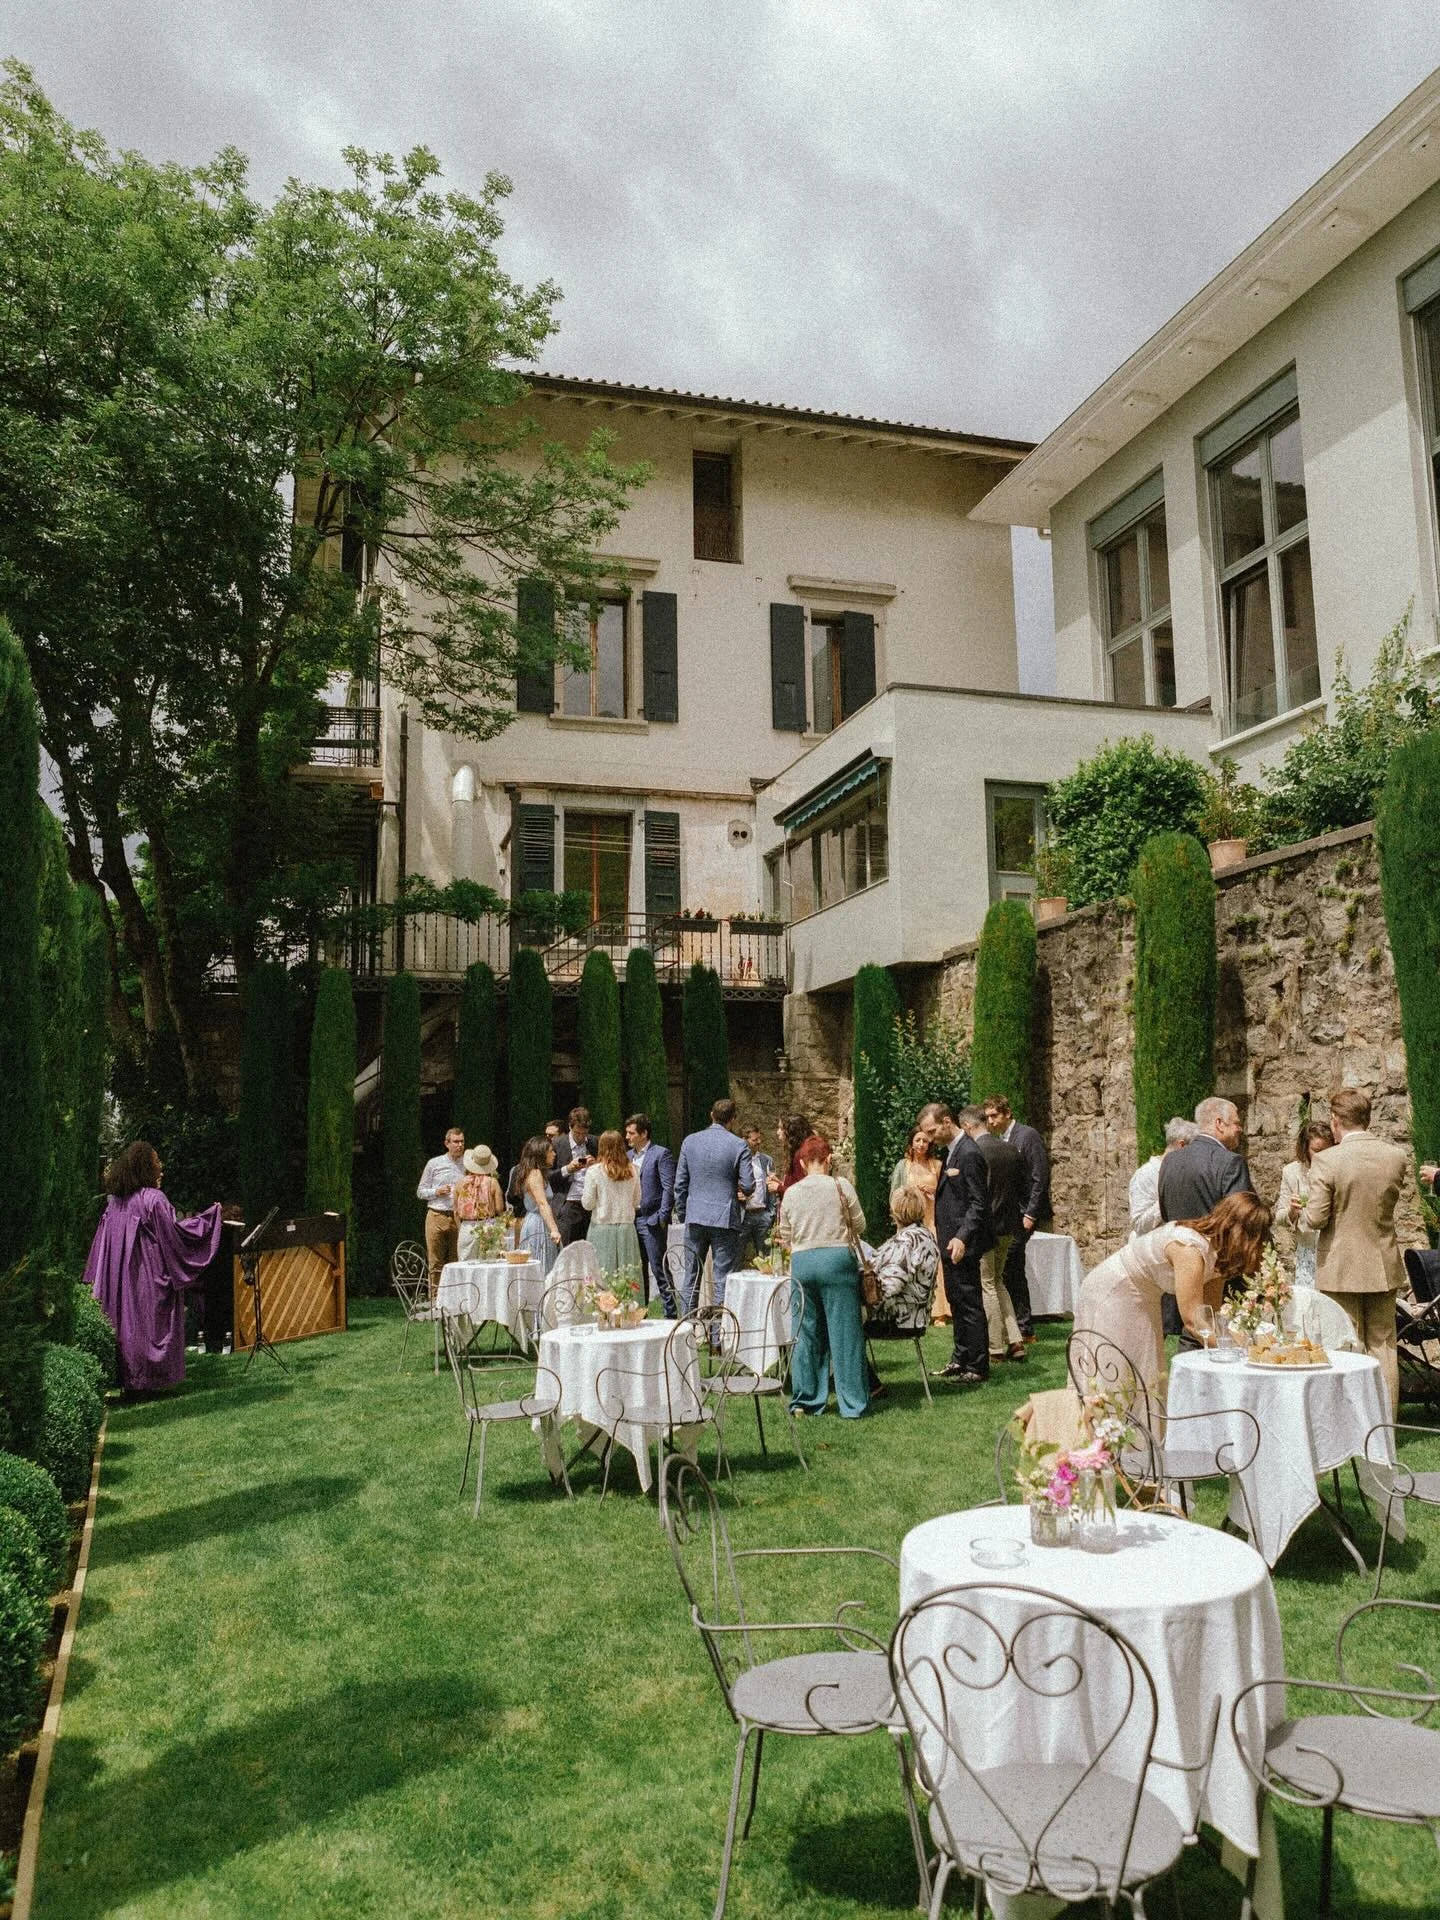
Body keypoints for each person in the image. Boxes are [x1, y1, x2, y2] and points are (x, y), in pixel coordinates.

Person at [1074, 1192, 1272, 1397]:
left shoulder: (1218, 1256)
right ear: (1242, 1233)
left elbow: (1210, 1315)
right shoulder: (1190, 1248)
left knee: (1146, 1370)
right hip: (1114, 1290)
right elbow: (1193, 1321)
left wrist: (1241, 1342)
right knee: (1117, 1368)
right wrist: (1239, 1353)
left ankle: (1139, 1428)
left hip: (1145, 1297)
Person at [85, 1141, 224, 1393]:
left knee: (125, 1327)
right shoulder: (153, 1200)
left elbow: (101, 1247)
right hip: (144, 1278)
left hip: (118, 1281)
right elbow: (176, 1235)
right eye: (156, 1164)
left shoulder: (114, 1202)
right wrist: (209, 1219)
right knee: (145, 1325)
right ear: (145, 1168)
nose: (161, 1170)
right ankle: (147, 1382)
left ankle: (129, 1381)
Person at [1302, 1088, 1409, 1416]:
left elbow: (1316, 1217)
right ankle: (1385, 1426)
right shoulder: (1395, 1156)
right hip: (1382, 1263)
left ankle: (1350, 1422)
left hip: (1340, 1265)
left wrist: (1300, 1213)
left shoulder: (1327, 1160)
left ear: (1335, 1121)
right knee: (1384, 1346)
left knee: (1346, 1344)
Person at [778, 1133, 869, 1418]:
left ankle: (806, 1400)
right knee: (845, 1334)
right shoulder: (840, 1186)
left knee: (806, 1332)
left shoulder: (791, 1192)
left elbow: (785, 1234)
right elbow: (860, 1225)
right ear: (828, 1159)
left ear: (803, 1163)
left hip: (803, 1262)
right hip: (837, 1261)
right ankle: (852, 1402)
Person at [1158, 1097, 1255, 1343]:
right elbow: (1243, 1219)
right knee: (1220, 1334)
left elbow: (1166, 1212)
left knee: (1192, 1331)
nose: (1240, 1130)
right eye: (1237, 1124)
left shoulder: (1170, 1161)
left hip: (1180, 1261)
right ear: (1219, 1123)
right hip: (1221, 1268)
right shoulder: (1230, 1162)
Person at [921, 1101, 994, 1384]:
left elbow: (978, 1203)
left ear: (947, 1122)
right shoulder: (952, 1152)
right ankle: (960, 1357)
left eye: (931, 1131)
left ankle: (977, 1365)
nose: (929, 1138)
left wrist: (962, 1237)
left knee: (969, 1301)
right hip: (949, 1242)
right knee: (956, 1300)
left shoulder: (969, 1153)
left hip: (962, 1243)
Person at [673, 1097, 754, 1315]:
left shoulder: (690, 1141)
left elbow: (680, 1183)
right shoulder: (738, 1145)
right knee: (721, 1278)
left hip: (696, 1215)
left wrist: (683, 1213)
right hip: (724, 1217)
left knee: (691, 1275)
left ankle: (687, 1330)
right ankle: (717, 1337)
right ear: (733, 1119)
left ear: (711, 1115)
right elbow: (748, 1186)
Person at [960, 1105, 1026, 1364]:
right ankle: (1016, 1340)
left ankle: (995, 1346)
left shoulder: (975, 1151)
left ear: (967, 1126)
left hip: (988, 1227)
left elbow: (974, 1195)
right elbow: (1022, 1187)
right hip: (1009, 1225)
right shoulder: (1010, 1148)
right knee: (998, 1281)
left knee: (987, 1283)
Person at [981, 1095, 1050, 1342]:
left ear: (1007, 1113)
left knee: (1012, 1264)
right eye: (987, 1117)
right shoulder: (1001, 1140)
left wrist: (1031, 1213)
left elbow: (1039, 1176)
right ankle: (1014, 1326)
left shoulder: (1027, 1135)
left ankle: (1023, 1326)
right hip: (1010, 1214)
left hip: (1023, 1214)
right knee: (1011, 1266)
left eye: (994, 1115)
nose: (990, 1121)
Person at [866, 1186, 941, 1334]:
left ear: (896, 1211)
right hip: (918, 1316)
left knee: (841, 1311)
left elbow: (891, 1284)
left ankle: (848, 1357)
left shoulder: (905, 1241)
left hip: (897, 1318)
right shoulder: (926, 1236)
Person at [626, 1112, 677, 1315]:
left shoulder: (660, 1154)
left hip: (651, 1219)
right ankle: (641, 1312)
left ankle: (671, 1314)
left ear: (644, 1133)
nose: (627, 1137)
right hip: (632, 1218)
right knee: (637, 1270)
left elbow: (668, 1187)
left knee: (658, 1268)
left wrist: (662, 1216)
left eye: (631, 1133)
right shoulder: (628, 1156)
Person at [1276, 1121, 1335, 1288]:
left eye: (1327, 1150)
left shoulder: (1338, 1169)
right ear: (1305, 1148)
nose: (1322, 1156)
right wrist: (1292, 1212)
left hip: (1333, 1248)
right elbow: (1279, 1216)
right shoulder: (1291, 1172)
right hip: (1307, 1248)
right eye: (1316, 1151)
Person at [582, 1131, 642, 1282]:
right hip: (626, 1230)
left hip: (601, 1229)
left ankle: (601, 1306)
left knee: (602, 1275)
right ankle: (630, 1305)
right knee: (628, 1277)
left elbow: (588, 1204)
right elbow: (636, 1201)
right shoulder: (633, 1170)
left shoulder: (594, 1171)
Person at [416, 1126, 466, 1295]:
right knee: (436, 1260)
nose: (459, 1145)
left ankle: (454, 1297)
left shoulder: (468, 1163)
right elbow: (420, 1191)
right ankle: (435, 1299)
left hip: (458, 1216)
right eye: (456, 1142)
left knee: (456, 1259)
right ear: (447, 1143)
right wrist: (436, 1192)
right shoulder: (435, 1163)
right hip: (436, 1214)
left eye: (462, 1142)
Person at [1129, 1118, 1199, 1237]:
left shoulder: (1188, 1173)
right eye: (1195, 1150)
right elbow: (1139, 1224)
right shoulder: (1146, 1174)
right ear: (1182, 1145)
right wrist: (1167, 1199)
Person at [515, 1135, 563, 1274]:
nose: (554, 1154)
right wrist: (554, 1229)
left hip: (541, 1221)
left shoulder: (539, 1173)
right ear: (541, 1154)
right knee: (541, 1266)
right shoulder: (535, 1174)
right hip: (537, 1224)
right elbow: (542, 1203)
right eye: (550, 1151)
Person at [554, 1108, 600, 1246]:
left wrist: (597, 1164)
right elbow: (547, 1176)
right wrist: (567, 1169)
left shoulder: (594, 1142)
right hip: (569, 1203)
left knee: (591, 1250)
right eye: (577, 1133)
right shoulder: (558, 1144)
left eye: (584, 1134)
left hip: (592, 1204)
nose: (581, 1137)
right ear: (570, 1127)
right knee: (568, 1250)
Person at [454, 1145, 505, 1261]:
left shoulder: (459, 1183)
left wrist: (460, 1228)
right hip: (488, 1226)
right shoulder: (493, 1182)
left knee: (466, 1265)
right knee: (489, 1265)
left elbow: (456, 1212)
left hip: (467, 1227)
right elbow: (499, 1208)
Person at [737, 1125, 775, 1267]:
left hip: (762, 1215)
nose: (759, 1142)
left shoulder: (766, 1160)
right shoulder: (737, 1161)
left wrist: (771, 1214)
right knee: (737, 1256)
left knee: (766, 1259)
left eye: (759, 1139)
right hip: (743, 1215)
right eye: (755, 1139)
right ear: (744, 1140)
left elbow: (770, 1187)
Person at [768, 1113, 812, 1202]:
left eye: (781, 1128)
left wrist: (779, 1188)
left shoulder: (800, 1155)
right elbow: (794, 1184)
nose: (778, 1132)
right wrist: (781, 1183)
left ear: (791, 1131)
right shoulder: (796, 1152)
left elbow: (804, 1192)